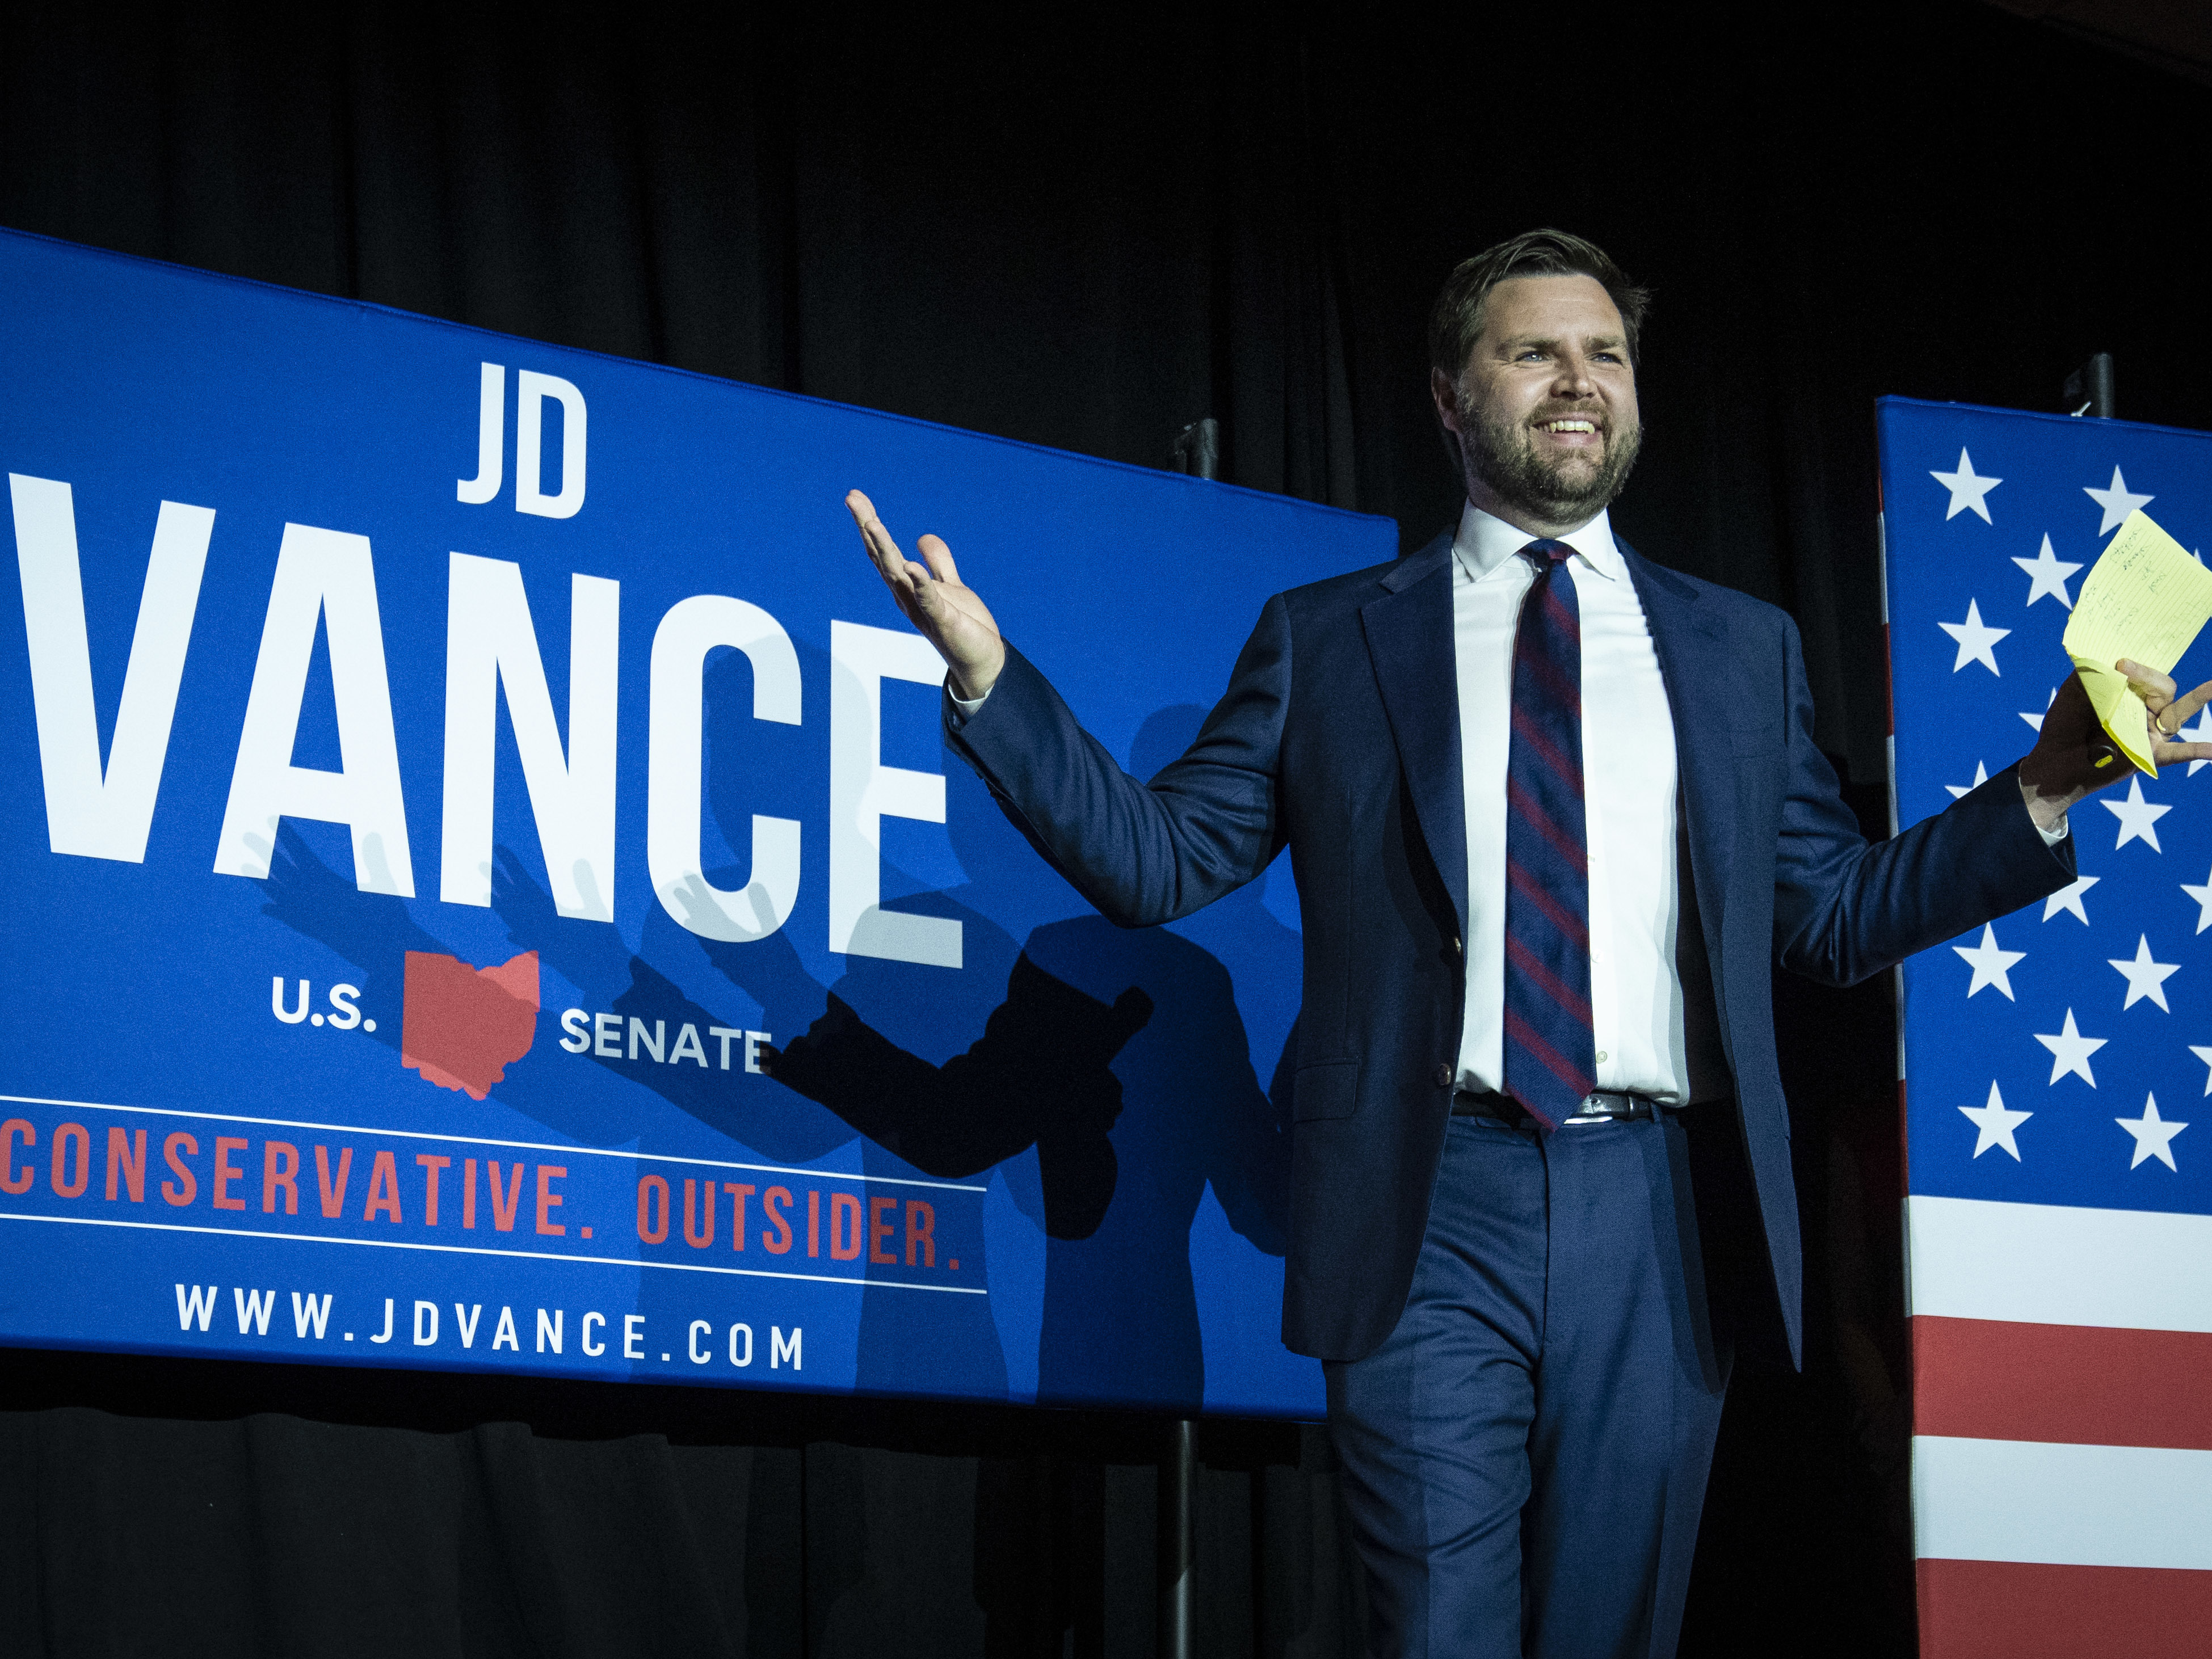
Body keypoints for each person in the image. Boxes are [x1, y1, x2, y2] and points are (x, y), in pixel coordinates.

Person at [841, 228, 2211, 1658]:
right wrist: (994, 683)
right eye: (1533, 351)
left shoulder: (1739, 647)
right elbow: (1159, 857)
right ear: (1449, 396)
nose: (1578, 381)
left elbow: (1832, 916)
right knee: (1438, 1630)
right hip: (1424, 1202)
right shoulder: (1328, 639)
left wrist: (2041, 785)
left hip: (1659, 1211)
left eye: (1605, 353)